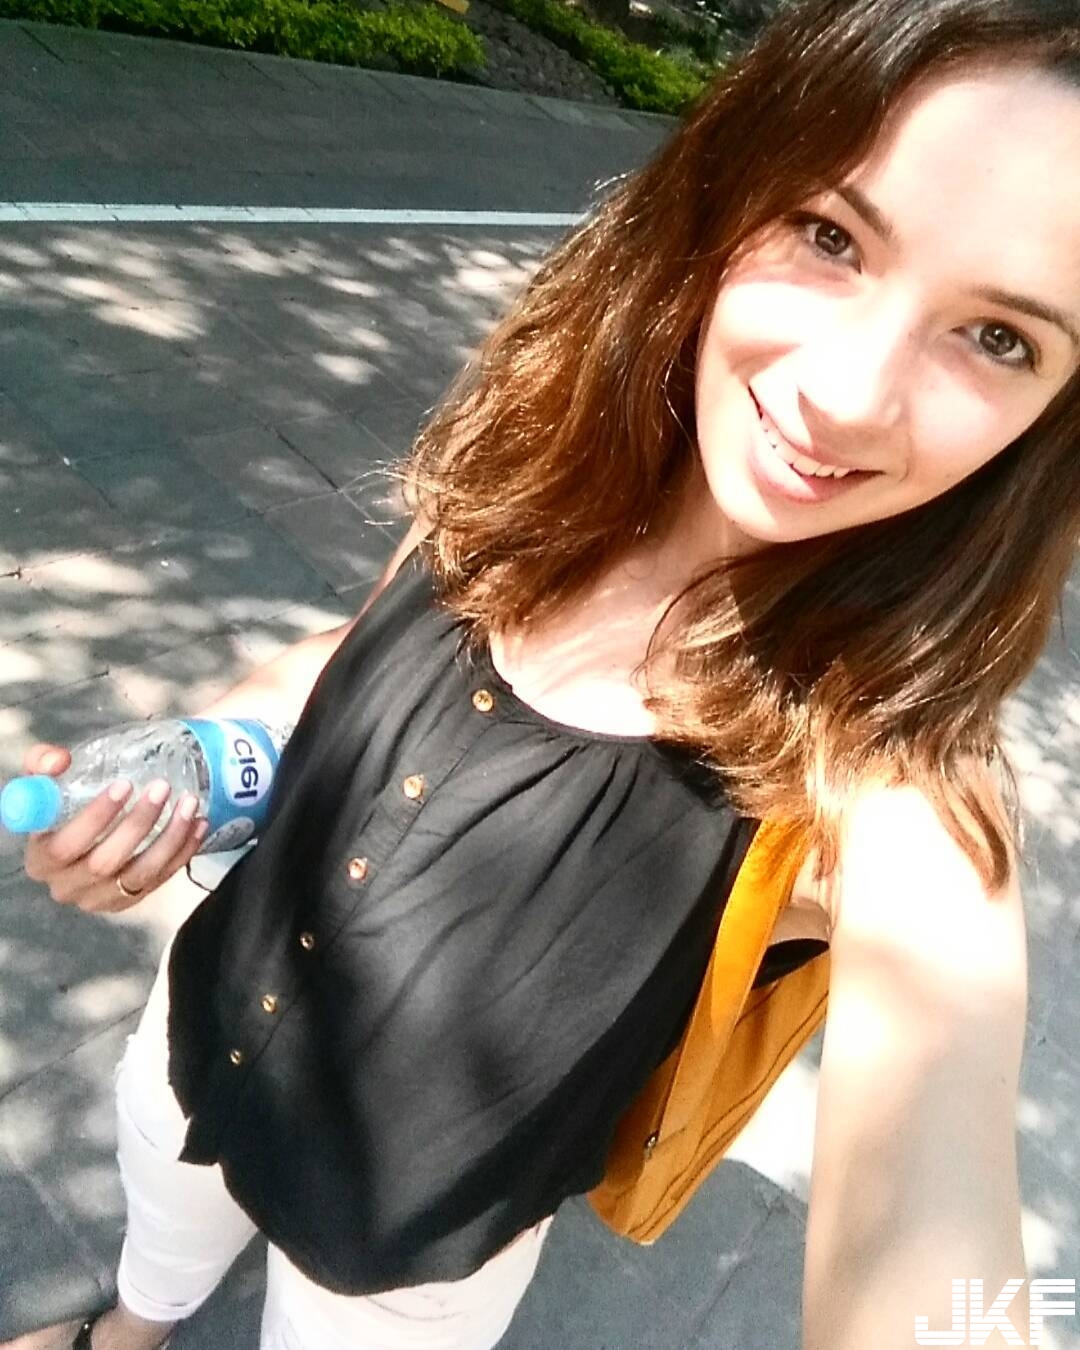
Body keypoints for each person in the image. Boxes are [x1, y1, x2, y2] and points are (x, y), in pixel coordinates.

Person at [6, 0, 1080, 1346]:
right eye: (829, 235)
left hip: (404, 1260)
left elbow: (934, 1240)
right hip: (202, 1038)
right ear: (725, 189)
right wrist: (181, 771)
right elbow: (353, 657)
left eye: (1002, 338)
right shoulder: (540, 459)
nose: (850, 395)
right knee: (157, 1250)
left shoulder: (890, 768)